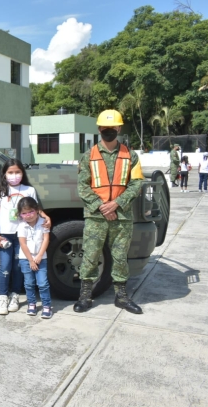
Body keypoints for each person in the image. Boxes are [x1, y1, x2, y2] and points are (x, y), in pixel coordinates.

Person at [75, 109, 144, 315]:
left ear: (119, 128)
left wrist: (116, 204)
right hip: (96, 216)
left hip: (121, 216)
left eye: (112, 127)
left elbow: (136, 183)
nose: (108, 131)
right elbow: (82, 186)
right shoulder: (88, 156)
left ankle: (121, 297)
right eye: (105, 128)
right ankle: (85, 297)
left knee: (120, 257)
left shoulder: (131, 155)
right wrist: (102, 206)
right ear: (99, 129)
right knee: (90, 255)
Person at [0, 159, 50, 315]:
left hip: (23, 236)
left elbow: (36, 209)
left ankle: (15, 295)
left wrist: (46, 217)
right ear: (4, 174)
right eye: (10, 172)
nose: (14, 175)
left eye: (17, 172)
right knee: (5, 266)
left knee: (18, 267)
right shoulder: (0, 192)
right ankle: (2, 296)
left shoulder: (29, 190)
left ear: (22, 173)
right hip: (5, 235)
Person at [16, 197, 52, 319]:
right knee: (29, 283)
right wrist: (31, 260)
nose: (28, 215)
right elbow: (23, 244)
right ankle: (32, 304)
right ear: (20, 214)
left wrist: (40, 255)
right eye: (24, 213)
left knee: (42, 283)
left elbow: (46, 239)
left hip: (41, 258)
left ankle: (46, 306)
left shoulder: (43, 222)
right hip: (26, 259)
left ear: (37, 210)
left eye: (31, 212)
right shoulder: (21, 226)